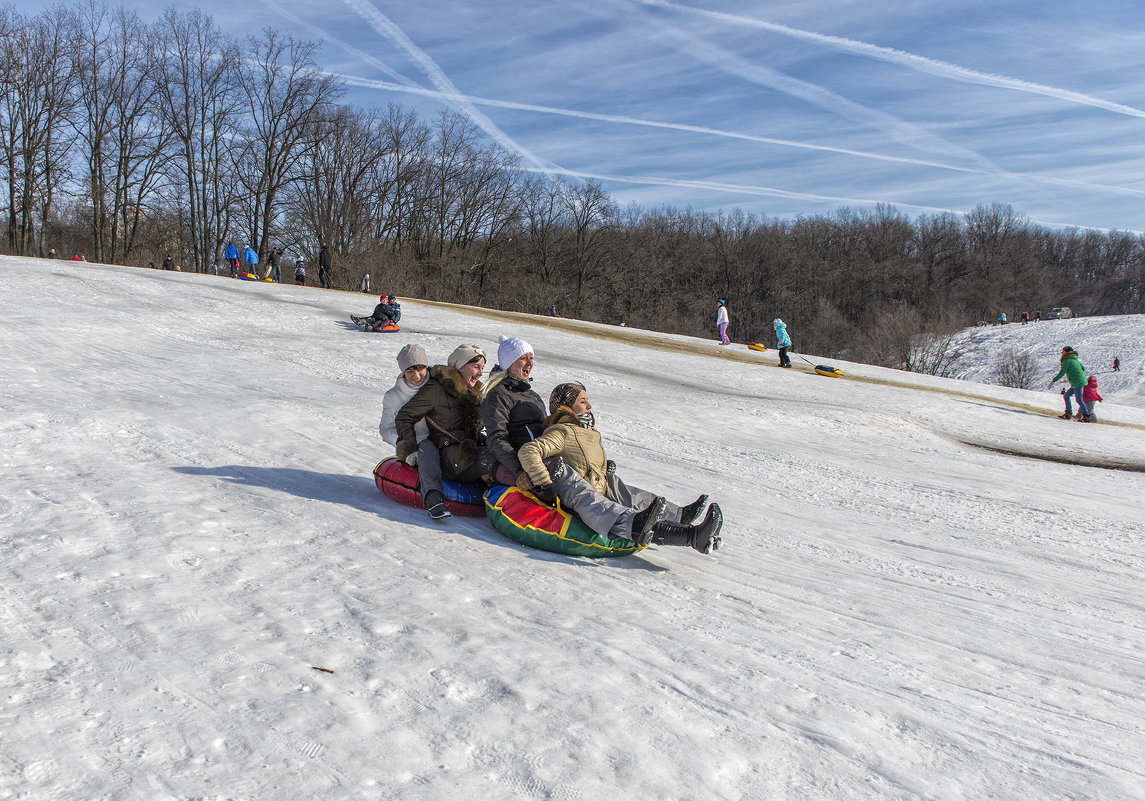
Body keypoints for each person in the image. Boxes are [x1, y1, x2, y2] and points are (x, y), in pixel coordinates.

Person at [518, 383, 722, 552]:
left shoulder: (588, 431)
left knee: (628, 492)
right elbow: (529, 451)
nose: (589, 405)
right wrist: (545, 483)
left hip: (597, 485)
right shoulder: (562, 430)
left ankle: (683, 523)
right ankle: (643, 525)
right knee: (590, 495)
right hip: (577, 494)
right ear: (567, 406)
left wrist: (602, 468)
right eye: (582, 401)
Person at [395, 344, 488, 521]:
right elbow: (404, 416)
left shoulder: (475, 392)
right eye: (476, 367)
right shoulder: (437, 389)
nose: (480, 373)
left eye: (482, 368)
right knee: (489, 460)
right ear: (460, 366)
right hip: (450, 457)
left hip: (471, 450)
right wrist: (409, 449)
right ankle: (433, 498)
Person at [482, 336, 547, 486]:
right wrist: (519, 471)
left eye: (531, 358)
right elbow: (497, 438)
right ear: (509, 363)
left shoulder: (533, 396)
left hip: (542, 457)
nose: (530, 363)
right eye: (524, 358)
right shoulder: (498, 394)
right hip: (525, 461)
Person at [380, 344, 431, 447]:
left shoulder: (438, 386)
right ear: (403, 372)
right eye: (409, 371)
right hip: (415, 447)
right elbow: (386, 430)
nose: (416, 376)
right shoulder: (393, 397)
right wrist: (405, 444)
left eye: (420, 369)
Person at [1049, 346, 1090, 421]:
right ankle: (1068, 413)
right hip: (1077, 381)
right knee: (1066, 395)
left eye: (1062, 352)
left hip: (1078, 382)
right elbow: (1083, 368)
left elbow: (1062, 372)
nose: (1062, 353)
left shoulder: (1067, 360)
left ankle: (1086, 416)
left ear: (1066, 352)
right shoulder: (1075, 359)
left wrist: (1054, 380)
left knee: (1079, 399)